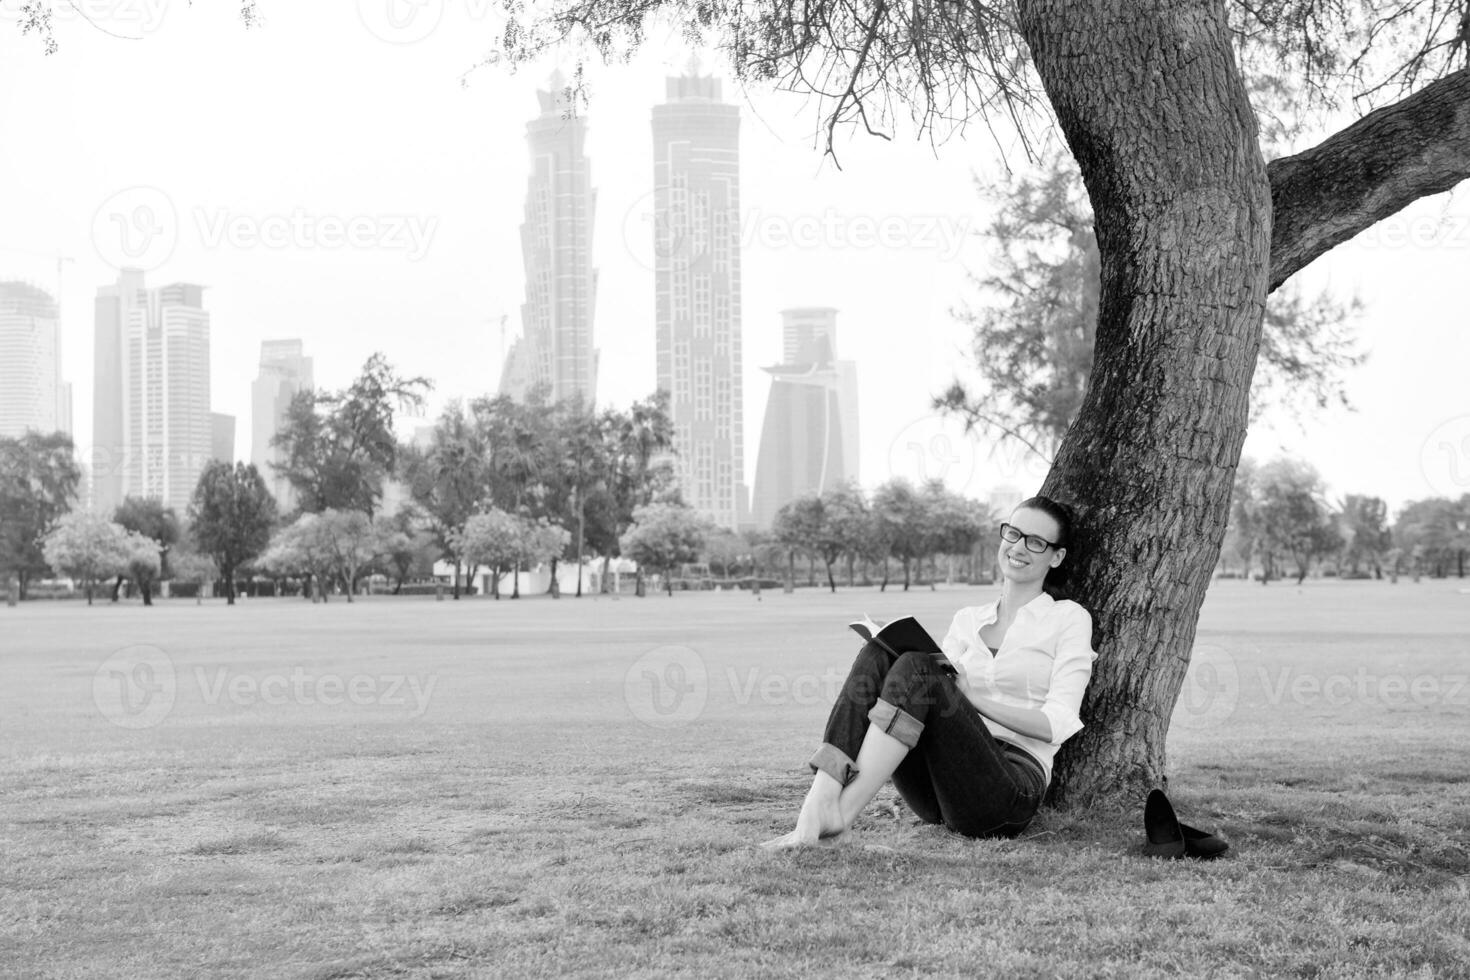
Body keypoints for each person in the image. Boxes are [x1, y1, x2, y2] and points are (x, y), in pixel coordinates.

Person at [762, 495, 1097, 848]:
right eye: (1013, 534)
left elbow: (1059, 723)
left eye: (1036, 542)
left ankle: (839, 816)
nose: (1019, 547)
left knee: (920, 669)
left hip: (1006, 790)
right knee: (879, 651)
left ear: (1056, 557)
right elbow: (923, 691)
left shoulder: (1068, 618)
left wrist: (974, 699)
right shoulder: (968, 619)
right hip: (937, 791)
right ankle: (820, 802)